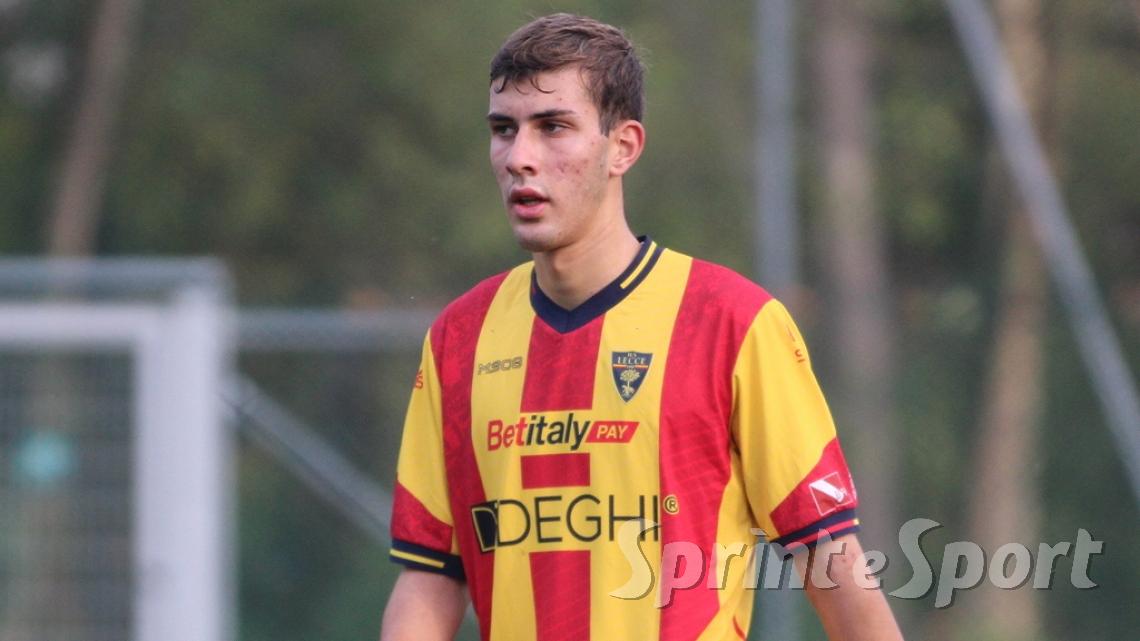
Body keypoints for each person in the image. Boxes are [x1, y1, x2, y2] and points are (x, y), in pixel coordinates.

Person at [380, 13, 903, 641]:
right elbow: (432, 574)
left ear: (623, 147)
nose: (520, 157)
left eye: (553, 127)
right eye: (503, 130)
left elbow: (830, 559)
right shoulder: (459, 339)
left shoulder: (732, 322)